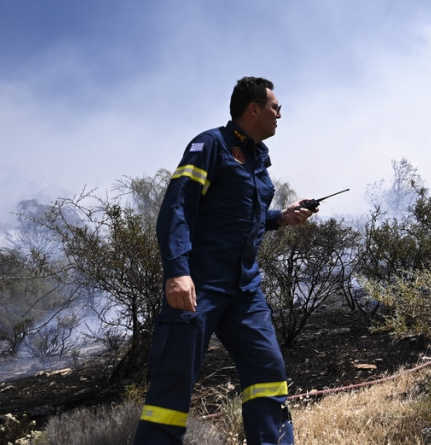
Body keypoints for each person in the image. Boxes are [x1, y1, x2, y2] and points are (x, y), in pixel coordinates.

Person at [133, 77, 315, 445]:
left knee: (268, 371)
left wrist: (282, 217)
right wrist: (177, 273)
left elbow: (241, 220)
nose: (280, 114)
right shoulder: (210, 146)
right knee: (174, 379)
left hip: (245, 290)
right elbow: (178, 208)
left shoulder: (257, 158)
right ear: (254, 109)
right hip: (200, 284)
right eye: (275, 107)